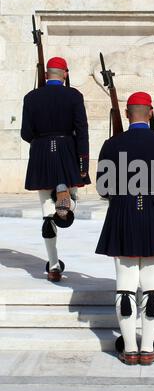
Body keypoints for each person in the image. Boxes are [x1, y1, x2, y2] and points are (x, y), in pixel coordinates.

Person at [96, 92, 154, 365]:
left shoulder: (112, 145)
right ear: (151, 112)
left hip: (123, 210)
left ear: (126, 114)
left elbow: (103, 188)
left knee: (125, 288)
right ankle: (147, 349)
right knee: (152, 288)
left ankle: (129, 349)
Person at [21, 57, 90, 282]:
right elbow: (82, 130)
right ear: (65, 74)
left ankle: (53, 265)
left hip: (41, 151)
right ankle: (66, 197)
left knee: (46, 207)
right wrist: (83, 162)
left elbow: (26, 133)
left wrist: (42, 141)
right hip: (67, 150)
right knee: (73, 193)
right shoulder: (74, 96)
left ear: (46, 74)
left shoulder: (31, 97)